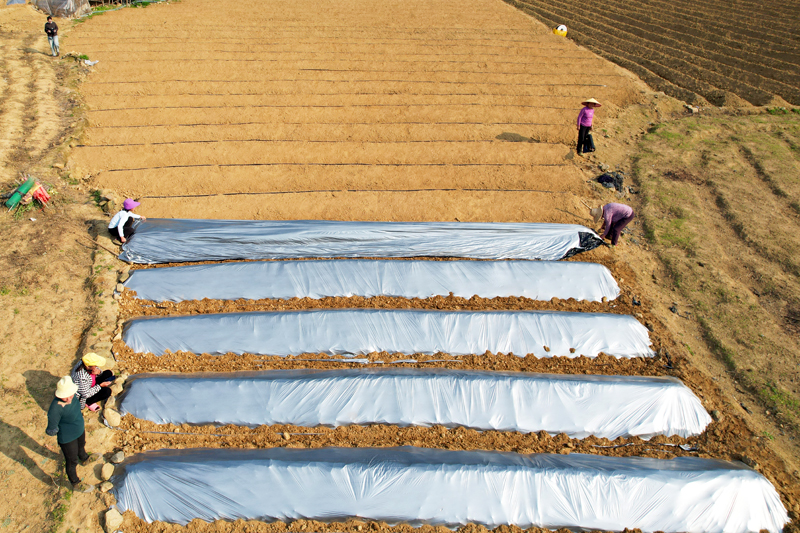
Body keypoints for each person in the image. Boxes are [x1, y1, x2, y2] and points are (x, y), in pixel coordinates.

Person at [46, 376, 94, 491]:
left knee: (82, 445)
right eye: (65, 396)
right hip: (67, 438)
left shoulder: (74, 396)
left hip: (79, 429)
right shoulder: (55, 409)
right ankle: (75, 482)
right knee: (72, 460)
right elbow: (51, 429)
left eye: (70, 394)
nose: (68, 399)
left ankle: (85, 458)